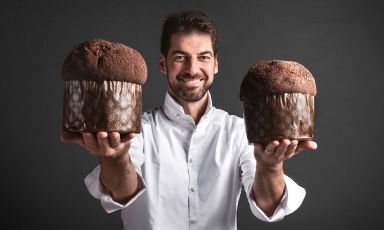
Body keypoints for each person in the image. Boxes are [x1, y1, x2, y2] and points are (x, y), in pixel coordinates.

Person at [61, 10, 317, 230]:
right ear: (163, 63)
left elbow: (268, 205)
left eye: (203, 57)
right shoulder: (138, 130)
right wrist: (114, 157)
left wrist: (270, 167)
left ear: (215, 64)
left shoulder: (239, 130)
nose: (192, 69)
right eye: (180, 57)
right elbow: (121, 193)